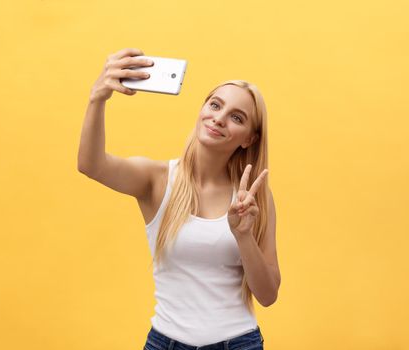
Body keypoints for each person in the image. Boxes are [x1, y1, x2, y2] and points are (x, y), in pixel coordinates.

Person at [78, 47, 280, 350]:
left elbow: (267, 295)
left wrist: (243, 235)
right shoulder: (156, 179)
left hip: (239, 343)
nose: (219, 118)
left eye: (236, 117)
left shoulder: (252, 198)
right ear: (202, 110)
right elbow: (91, 165)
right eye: (215, 105)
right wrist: (98, 98)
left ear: (249, 138)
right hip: (165, 343)